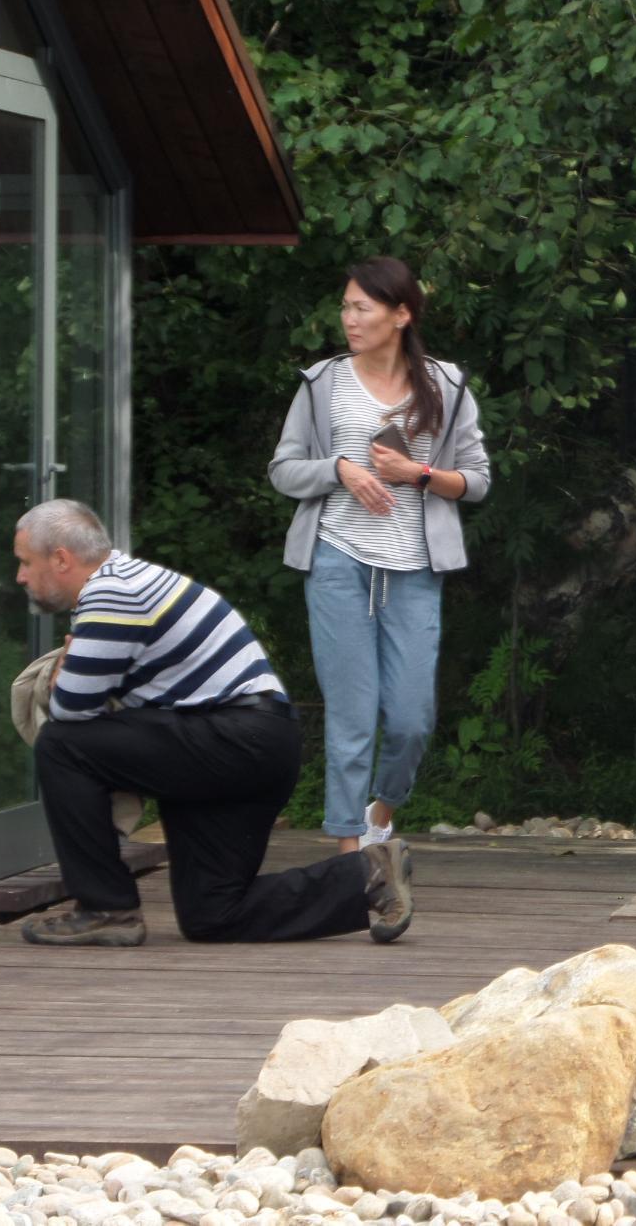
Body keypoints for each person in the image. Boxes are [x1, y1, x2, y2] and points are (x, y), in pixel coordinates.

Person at [14, 499, 414, 948]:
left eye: (25, 562)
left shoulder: (113, 593)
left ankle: (105, 909)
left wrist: (62, 676)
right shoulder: (127, 580)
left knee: (61, 745)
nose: (21, 576)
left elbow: (71, 710)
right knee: (213, 914)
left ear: (61, 558)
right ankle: (367, 874)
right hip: (246, 744)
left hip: (234, 740)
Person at [269, 257, 490, 855]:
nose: (349, 319)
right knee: (352, 716)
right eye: (345, 307)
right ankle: (347, 853)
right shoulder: (322, 383)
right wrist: (340, 469)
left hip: (415, 570)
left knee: (413, 719)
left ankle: (381, 812)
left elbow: (476, 481)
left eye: (361, 308)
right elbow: (284, 470)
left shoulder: (446, 386)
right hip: (337, 561)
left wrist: (417, 473)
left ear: (401, 314)